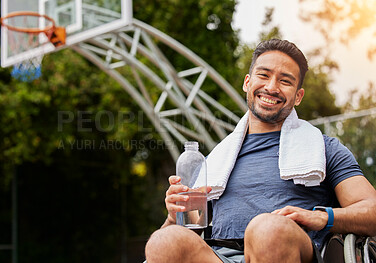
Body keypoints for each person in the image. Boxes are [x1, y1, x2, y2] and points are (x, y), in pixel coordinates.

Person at [144, 39, 376, 263]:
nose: (271, 87)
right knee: (163, 241)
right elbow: (190, 228)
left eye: (285, 81)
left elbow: (372, 209)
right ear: (247, 82)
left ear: (298, 96)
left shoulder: (324, 149)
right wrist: (174, 217)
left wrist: (322, 216)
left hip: (288, 248)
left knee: (266, 229)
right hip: (219, 256)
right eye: (263, 75)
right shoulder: (215, 162)